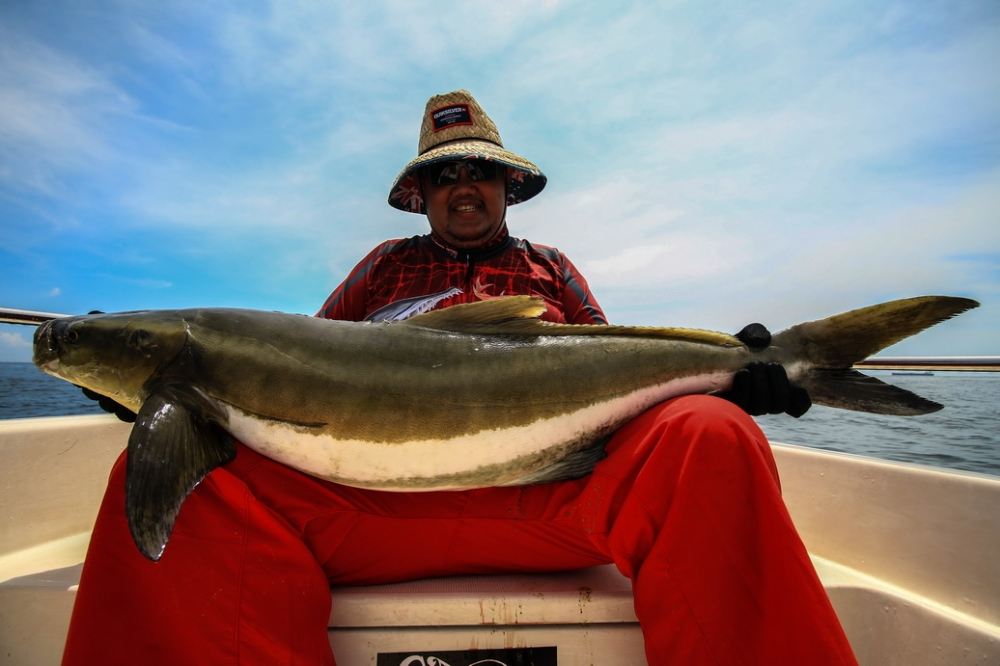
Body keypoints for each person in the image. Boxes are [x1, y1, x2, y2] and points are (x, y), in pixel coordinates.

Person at [64, 90, 855, 665]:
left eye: (480, 169)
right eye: (446, 176)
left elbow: (616, 387)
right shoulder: (380, 270)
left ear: (508, 184)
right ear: (424, 196)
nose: (464, 185)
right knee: (174, 478)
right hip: (369, 512)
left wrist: (733, 378)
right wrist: (143, 382)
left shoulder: (553, 271)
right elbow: (303, 369)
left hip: (553, 503)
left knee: (710, 433)